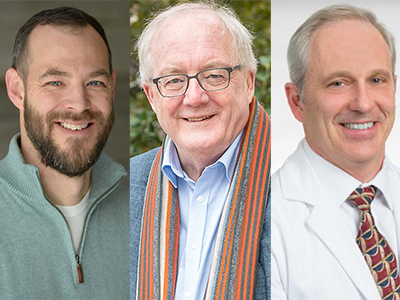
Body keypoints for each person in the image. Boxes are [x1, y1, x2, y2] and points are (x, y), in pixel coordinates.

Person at [130, 2, 271, 300]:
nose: (194, 97)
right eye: (174, 80)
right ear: (151, 96)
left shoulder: (297, 178)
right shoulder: (122, 190)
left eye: (214, 75)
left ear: (248, 83)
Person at [272, 4, 400, 299]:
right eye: (338, 83)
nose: (363, 104)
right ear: (296, 101)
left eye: (377, 80)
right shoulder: (266, 222)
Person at [0, 7, 129, 299]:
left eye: (94, 83)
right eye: (55, 82)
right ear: (17, 90)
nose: (79, 103)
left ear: (111, 89)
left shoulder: (142, 214)